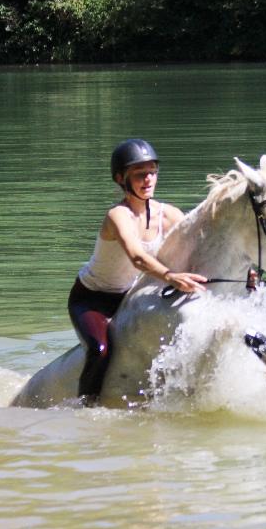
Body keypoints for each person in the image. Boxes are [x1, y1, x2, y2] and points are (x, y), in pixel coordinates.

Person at [69, 138, 207, 406]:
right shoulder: (117, 215)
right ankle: (85, 406)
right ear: (121, 178)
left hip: (130, 296)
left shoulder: (168, 214)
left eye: (152, 172)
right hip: (92, 299)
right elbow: (137, 257)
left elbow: (202, 245)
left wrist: (247, 271)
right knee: (99, 351)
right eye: (140, 174)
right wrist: (170, 276)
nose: (148, 179)